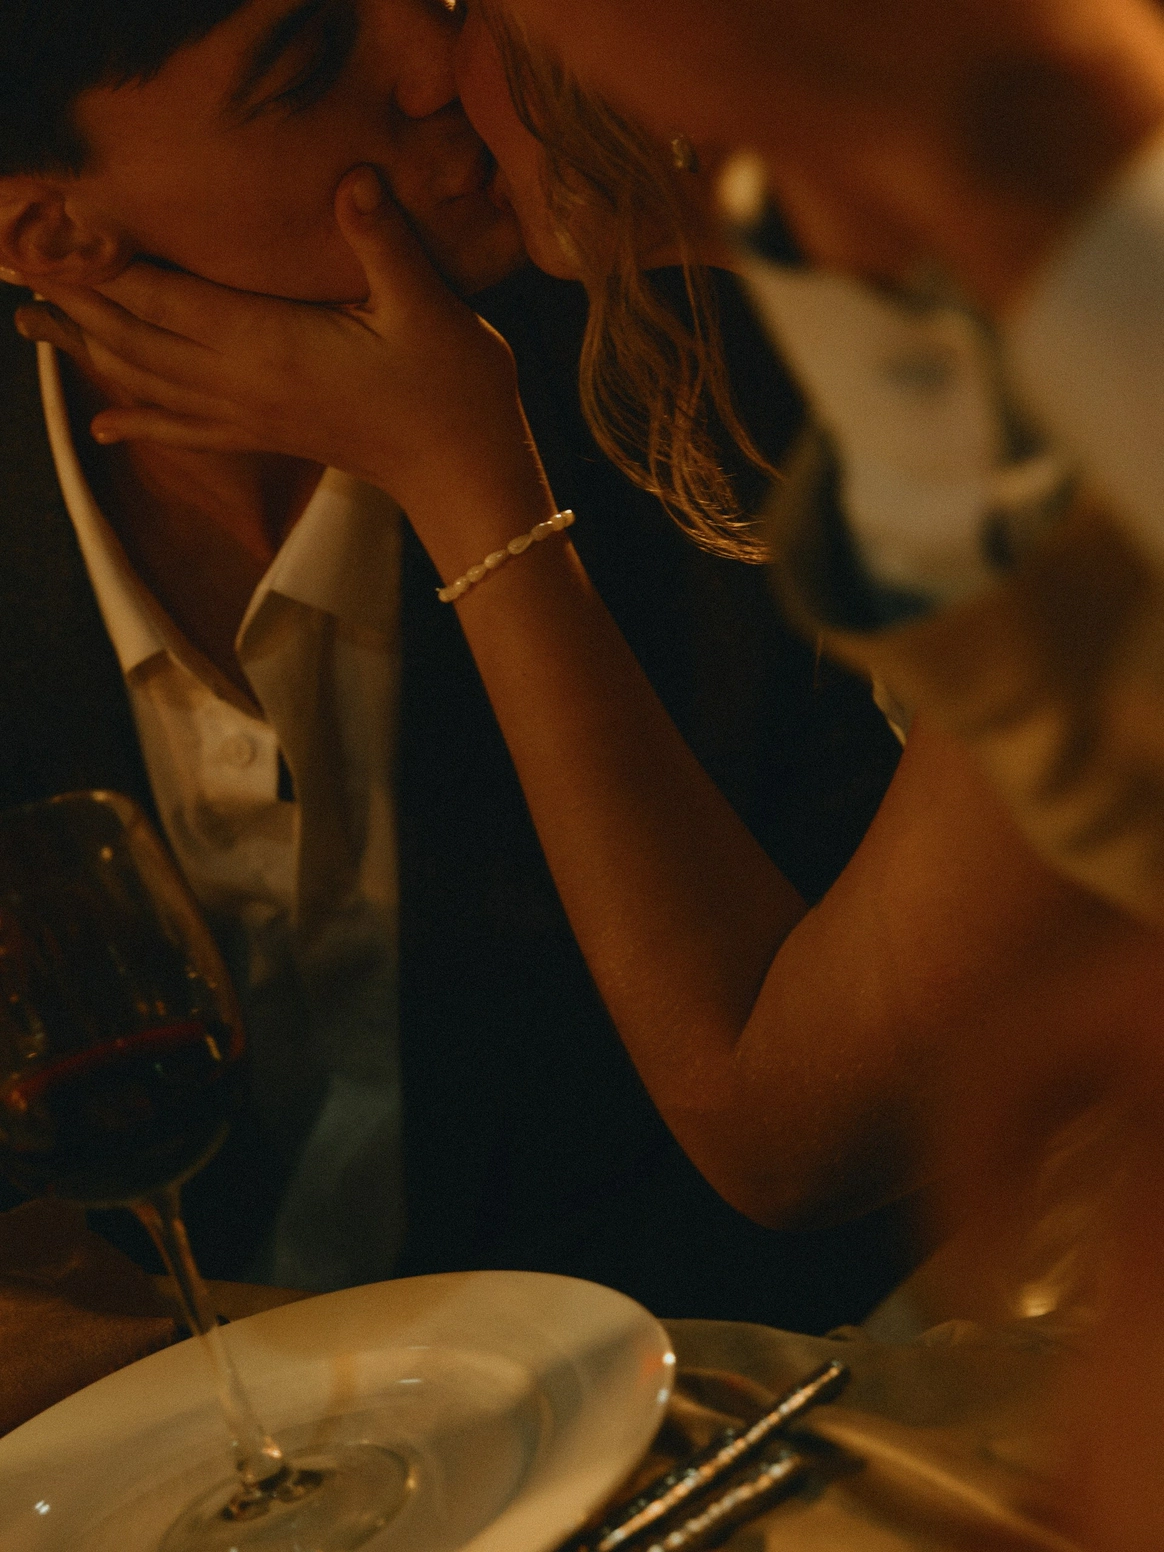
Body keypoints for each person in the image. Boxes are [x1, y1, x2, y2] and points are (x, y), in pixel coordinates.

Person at [29, 0, 1164, 1272]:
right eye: (308, 62)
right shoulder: (920, 332)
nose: (440, 66)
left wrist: (467, 479)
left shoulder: (1048, 398)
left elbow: (786, 1132)